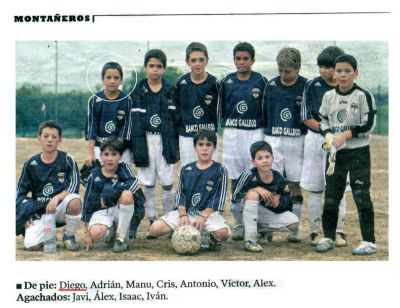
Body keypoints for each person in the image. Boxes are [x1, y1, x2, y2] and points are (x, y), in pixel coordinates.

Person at [315, 54, 377, 255]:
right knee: (332, 196)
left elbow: (369, 125)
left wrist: (346, 134)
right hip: (335, 154)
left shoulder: (362, 96)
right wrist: (327, 134)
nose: (342, 75)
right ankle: (328, 237)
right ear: (334, 72)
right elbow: (322, 119)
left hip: (358, 153)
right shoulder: (328, 96)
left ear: (355, 73)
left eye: (347, 71)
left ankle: (369, 241)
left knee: (361, 195)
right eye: (339, 71)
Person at [148, 130, 230, 251]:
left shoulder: (220, 169)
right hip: (187, 212)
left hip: (208, 214)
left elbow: (218, 198)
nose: (204, 148)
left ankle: (208, 237)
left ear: (214, 148)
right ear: (195, 147)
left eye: (209, 145)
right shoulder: (186, 169)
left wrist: (203, 216)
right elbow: (181, 194)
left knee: (223, 233)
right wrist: (182, 215)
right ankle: (184, 232)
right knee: (154, 229)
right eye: (201, 144)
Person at [218, 42, 268, 241]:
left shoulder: (261, 81)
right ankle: (239, 224)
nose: (241, 62)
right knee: (235, 178)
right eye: (238, 58)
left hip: (254, 133)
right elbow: (220, 110)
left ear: (252, 60)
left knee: (256, 176)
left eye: (245, 58)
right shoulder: (226, 82)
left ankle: (260, 224)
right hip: (232, 133)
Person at [300, 46, 349, 246]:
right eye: (321, 66)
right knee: (314, 187)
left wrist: (337, 135)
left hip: (340, 142)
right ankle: (314, 231)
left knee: (337, 187)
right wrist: (325, 132)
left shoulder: (348, 88)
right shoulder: (312, 85)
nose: (323, 71)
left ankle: (338, 231)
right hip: (315, 140)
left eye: (328, 66)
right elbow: (305, 116)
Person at [129, 49, 179, 237]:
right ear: (145, 68)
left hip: (165, 140)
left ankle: (166, 221)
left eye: (159, 66)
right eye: (151, 66)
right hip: (144, 140)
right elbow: (134, 122)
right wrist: (135, 146)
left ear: (164, 68)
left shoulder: (170, 90)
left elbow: (176, 121)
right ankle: (152, 221)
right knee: (148, 183)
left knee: (167, 183)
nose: (155, 70)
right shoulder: (138, 90)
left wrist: (175, 147)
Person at [263, 47, 307, 242]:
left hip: (297, 140)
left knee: (295, 184)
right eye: (280, 70)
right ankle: (268, 228)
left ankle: (294, 228)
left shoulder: (306, 86)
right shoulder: (271, 85)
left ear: (298, 68)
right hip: (274, 139)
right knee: (270, 182)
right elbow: (265, 113)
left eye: (287, 71)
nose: (283, 75)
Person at [16, 120, 82, 251]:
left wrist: (57, 198)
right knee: (33, 246)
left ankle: (69, 236)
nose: (50, 140)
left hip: (60, 208)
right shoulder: (31, 163)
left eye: (54, 137)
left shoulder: (68, 160)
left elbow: (73, 187)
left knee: (75, 201)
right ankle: (47, 235)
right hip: (40, 211)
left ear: (60, 140)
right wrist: (27, 213)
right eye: (46, 136)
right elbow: (20, 193)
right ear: (39, 138)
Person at [232, 141, 299, 252]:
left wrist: (279, 201)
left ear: (273, 158)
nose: (264, 161)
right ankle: (250, 239)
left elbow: (288, 201)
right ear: (253, 161)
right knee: (253, 195)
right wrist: (256, 189)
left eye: (267, 157)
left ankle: (261, 230)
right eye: (260, 158)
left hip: (265, 214)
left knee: (294, 222)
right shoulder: (248, 175)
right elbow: (235, 196)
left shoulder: (279, 178)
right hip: (245, 211)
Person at [82, 136, 140, 253]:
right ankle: (111, 230)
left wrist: (112, 191)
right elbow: (87, 204)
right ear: (101, 156)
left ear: (121, 156)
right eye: (106, 154)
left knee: (127, 194)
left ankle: (120, 239)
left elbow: (134, 183)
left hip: (119, 210)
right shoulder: (94, 175)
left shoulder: (124, 169)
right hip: (102, 212)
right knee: (97, 233)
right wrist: (87, 233)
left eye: (114, 154)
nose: (110, 159)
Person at [175, 42, 219, 167]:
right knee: (188, 171)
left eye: (201, 60)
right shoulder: (181, 83)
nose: (198, 63)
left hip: (209, 137)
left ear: (207, 61)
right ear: (187, 62)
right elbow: (176, 113)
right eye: (193, 60)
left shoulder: (215, 83)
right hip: (187, 137)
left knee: (209, 171)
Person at [85, 61, 132, 167]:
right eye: (108, 77)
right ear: (102, 79)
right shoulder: (94, 100)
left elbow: (126, 128)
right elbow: (91, 128)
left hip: (120, 148)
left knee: (122, 179)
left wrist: (115, 149)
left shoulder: (127, 100)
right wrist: (90, 153)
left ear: (121, 80)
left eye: (116, 78)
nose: (112, 81)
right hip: (99, 147)